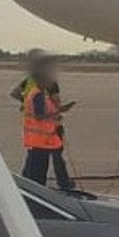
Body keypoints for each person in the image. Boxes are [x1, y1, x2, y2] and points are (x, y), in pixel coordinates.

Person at [21, 56, 76, 190]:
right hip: (41, 140)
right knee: (39, 172)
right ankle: (59, 183)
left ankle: (28, 186)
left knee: (34, 169)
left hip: (39, 139)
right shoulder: (38, 95)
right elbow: (40, 116)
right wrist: (60, 111)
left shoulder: (37, 93)